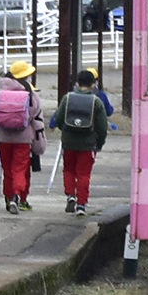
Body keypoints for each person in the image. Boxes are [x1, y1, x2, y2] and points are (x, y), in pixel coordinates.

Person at [50, 68, 109, 215]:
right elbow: (102, 127)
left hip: (69, 141)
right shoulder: (97, 102)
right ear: (93, 85)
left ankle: (70, 195)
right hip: (88, 143)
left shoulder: (67, 98)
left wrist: (65, 130)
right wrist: (99, 143)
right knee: (84, 174)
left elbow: (58, 118)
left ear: (76, 84)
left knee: (69, 169)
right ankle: (81, 204)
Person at [0, 61, 45, 214]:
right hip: (24, 138)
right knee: (20, 169)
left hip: (4, 138)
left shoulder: (1, 92)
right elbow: (35, 114)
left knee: (7, 169)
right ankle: (17, 195)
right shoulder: (30, 94)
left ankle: (8, 198)